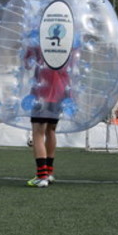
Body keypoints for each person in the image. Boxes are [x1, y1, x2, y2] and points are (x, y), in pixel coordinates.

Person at [23, 30, 73, 188]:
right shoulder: (69, 39)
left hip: (42, 90)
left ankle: (41, 175)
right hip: (61, 90)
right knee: (50, 130)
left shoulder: (39, 37)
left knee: (38, 131)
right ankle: (49, 173)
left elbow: (27, 63)